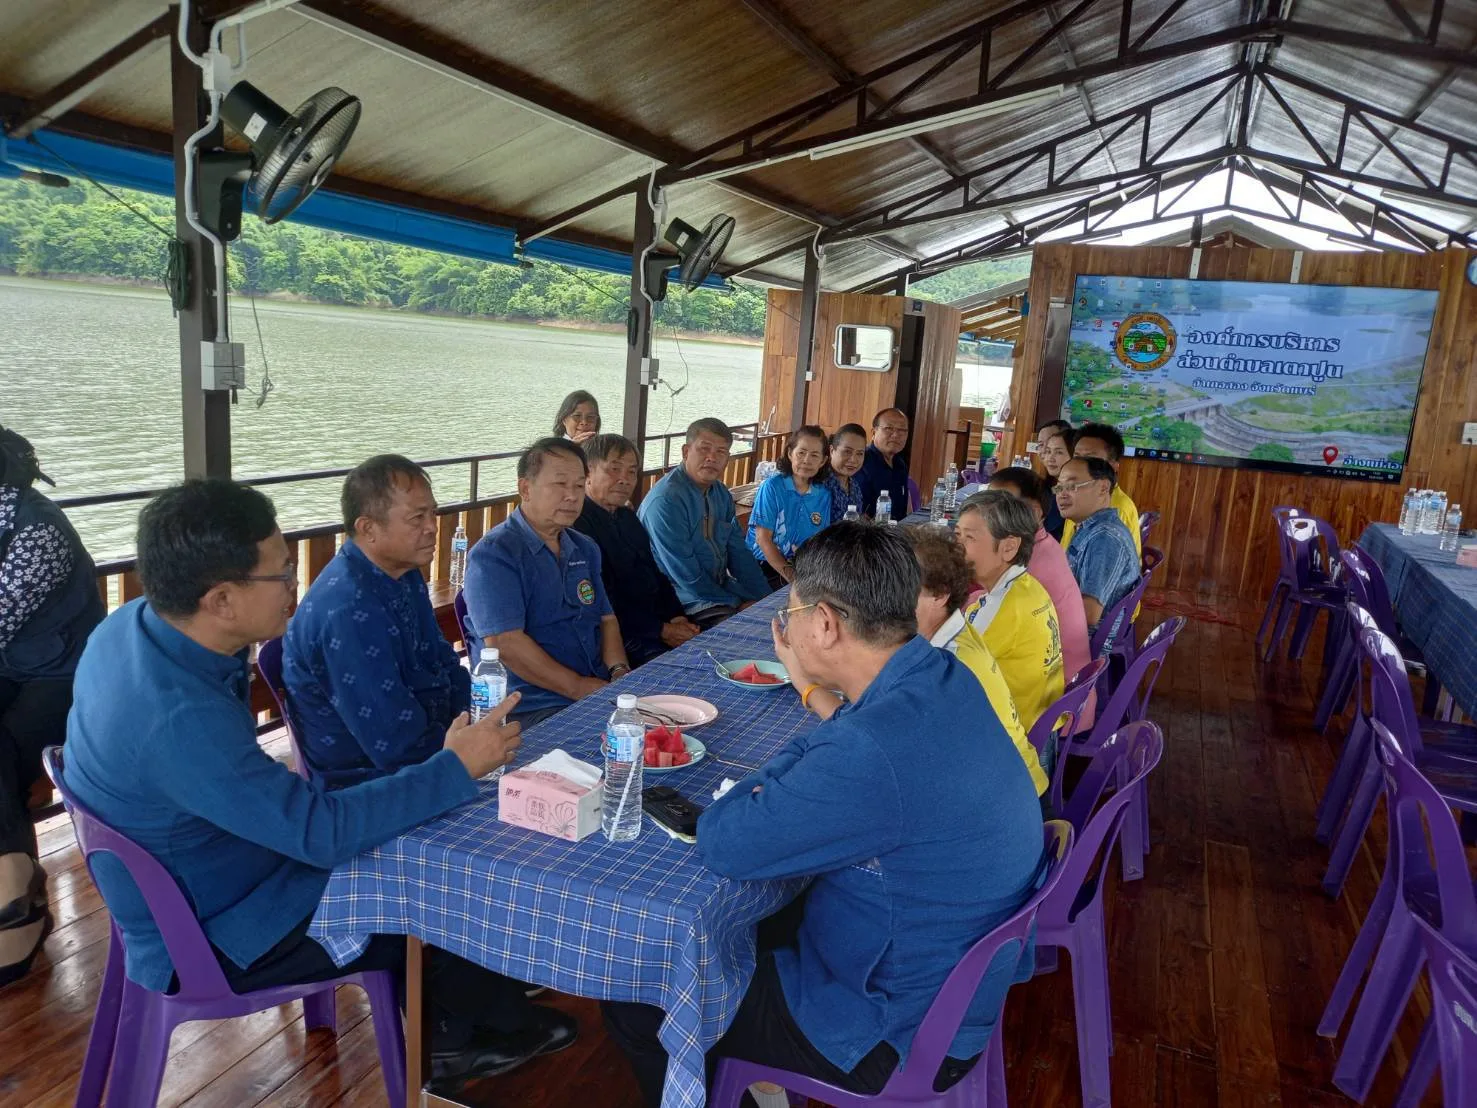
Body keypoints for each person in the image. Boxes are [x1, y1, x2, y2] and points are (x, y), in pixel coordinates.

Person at [61, 479, 575, 1083]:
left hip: (200, 866)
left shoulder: (131, 627)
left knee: (423, 829)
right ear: (221, 599)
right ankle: (449, 1043)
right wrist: (455, 767)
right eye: (281, 574)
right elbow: (320, 834)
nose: (294, 585)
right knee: (433, 871)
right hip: (219, 926)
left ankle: (486, 1001)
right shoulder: (178, 719)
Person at [602, 523, 1045, 1106]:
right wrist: (821, 721)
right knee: (764, 915)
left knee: (639, 992)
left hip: (892, 1028)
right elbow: (852, 743)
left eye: (791, 613)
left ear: (827, 624)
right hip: (952, 982)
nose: (786, 628)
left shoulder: (871, 750)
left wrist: (788, 758)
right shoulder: (943, 674)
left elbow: (723, 841)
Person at [283, 455, 470, 788]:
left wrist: (476, 720)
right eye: (417, 517)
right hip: (370, 786)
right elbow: (397, 744)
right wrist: (468, 750)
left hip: (438, 745)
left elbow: (443, 661)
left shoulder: (403, 572)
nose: (432, 526)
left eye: (433, 513)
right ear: (368, 528)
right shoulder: (346, 610)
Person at [0, 426, 105, 986]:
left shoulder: (37, 530)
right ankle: (15, 890)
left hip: (64, 672)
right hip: (15, 665)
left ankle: (13, 899)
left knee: (5, 754)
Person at [464, 438, 630, 727]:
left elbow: (606, 620)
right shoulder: (494, 554)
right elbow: (505, 642)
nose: (572, 496)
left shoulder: (585, 547)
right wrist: (579, 687)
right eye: (560, 484)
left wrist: (619, 672)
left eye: (579, 486)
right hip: (531, 705)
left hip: (596, 688)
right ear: (525, 489)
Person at [903, 526, 1047, 796]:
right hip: (1014, 783)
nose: (888, 598)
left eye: (902, 587)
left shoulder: (951, 663)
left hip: (1013, 801)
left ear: (939, 595)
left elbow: (893, 742)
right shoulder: (954, 631)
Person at [573, 434, 699, 667]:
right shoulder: (577, 526)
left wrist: (677, 617)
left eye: (631, 472)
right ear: (587, 472)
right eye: (614, 469)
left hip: (657, 623)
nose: (625, 479)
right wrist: (662, 630)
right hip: (619, 636)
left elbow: (655, 574)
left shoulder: (627, 517)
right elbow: (603, 600)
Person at [638, 418, 771, 628]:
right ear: (686, 451)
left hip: (718, 585)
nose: (712, 458)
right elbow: (685, 574)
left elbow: (739, 553)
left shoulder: (721, 494)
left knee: (775, 611)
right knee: (744, 625)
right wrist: (737, 604)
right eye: (704, 449)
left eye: (721, 452)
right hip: (679, 596)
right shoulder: (666, 501)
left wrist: (766, 598)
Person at [987, 466, 1093, 727]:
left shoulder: (1029, 563)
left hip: (1053, 710)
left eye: (1001, 505)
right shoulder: (1039, 545)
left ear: (1034, 512)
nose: (987, 513)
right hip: (1059, 693)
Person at [955, 491, 1065, 731]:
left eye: (969, 537)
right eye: (957, 535)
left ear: (1009, 547)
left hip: (1016, 736)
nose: (957, 546)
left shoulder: (1005, 607)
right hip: (1040, 726)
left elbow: (950, 675)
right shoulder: (1027, 586)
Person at [1055, 456, 1141, 652]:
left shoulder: (1104, 538)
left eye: (1072, 486)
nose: (1061, 494)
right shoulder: (1091, 528)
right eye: (1059, 487)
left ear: (1103, 488)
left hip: (1084, 644)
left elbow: (1089, 614)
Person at [746, 425, 832, 587]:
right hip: (763, 566)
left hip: (803, 567)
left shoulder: (823, 494)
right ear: (790, 453)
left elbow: (820, 541)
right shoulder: (772, 487)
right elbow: (763, 539)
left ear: (823, 461)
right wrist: (792, 577)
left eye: (814, 455)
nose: (806, 460)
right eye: (801, 453)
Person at [1061, 422, 1141, 556]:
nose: (1079, 465)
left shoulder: (1116, 509)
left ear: (1113, 466)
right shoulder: (1078, 495)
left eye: (1091, 459)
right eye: (1077, 457)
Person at [859, 408, 910, 521]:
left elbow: (901, 511)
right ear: (873, 433)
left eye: (902, 430)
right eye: (888, 428)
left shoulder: (900, 464)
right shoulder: (862, 461)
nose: (895, 435)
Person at [821, 423, 869, 523]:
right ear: (832, 451)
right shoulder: (820, 483)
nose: (853, 460)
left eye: (860, 453)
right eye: (847, 452)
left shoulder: (854, 486)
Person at [1036, 425, 1073, 541]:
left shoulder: (1072, 488)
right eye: (1048, 451)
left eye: (1059, 452)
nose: (1050, 458)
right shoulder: (1056, 487)